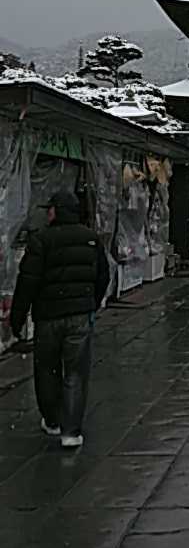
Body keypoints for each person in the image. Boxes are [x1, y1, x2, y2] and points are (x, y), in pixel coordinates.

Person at [10, 190, 110, 449]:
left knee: (47, 370)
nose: (47, 214)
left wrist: (17, 319)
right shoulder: (91, 238)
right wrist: (91, 303)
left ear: (56, 211)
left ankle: (53, 420)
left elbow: (27, 282)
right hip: (79, 317)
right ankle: (71, 431)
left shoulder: (41, 240)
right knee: (76, 372)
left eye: (50, 209)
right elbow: (103, 275)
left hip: (48, 317)